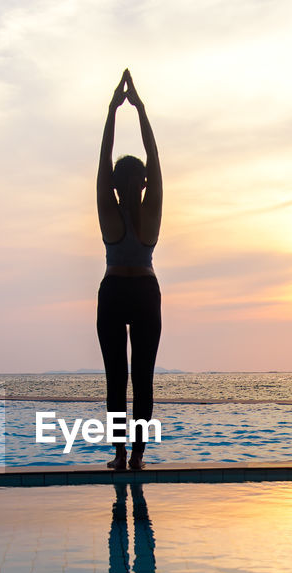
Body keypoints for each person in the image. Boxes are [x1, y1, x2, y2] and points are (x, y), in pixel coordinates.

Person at [97, 68, 162, 471]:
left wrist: (112, 111)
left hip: (114, 293)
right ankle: (136, 456)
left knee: (117, 380)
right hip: (145, 295)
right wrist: (139, 108)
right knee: (142, 379)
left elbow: (103, 161)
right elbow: (154, 159)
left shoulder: (109, 210)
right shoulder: (150, 210)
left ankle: (121, 454)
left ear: (117, 184)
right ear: (140, 183)